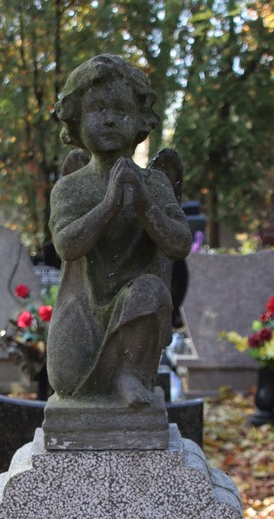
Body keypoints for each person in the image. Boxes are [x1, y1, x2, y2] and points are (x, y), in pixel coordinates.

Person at [47, 54, 191, 408]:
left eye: (120, 109)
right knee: (65, 381)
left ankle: (129, 374)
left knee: (151, 290)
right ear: (76, 119)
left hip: (135, 309)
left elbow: (179, 244)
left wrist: (144, 205)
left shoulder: (154, 184)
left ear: (140, 119)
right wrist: (111, 204)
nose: (109, 118)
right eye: (97, 109)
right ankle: (104, 372)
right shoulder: (71, 188)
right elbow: (67, 246)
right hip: (83, 312)